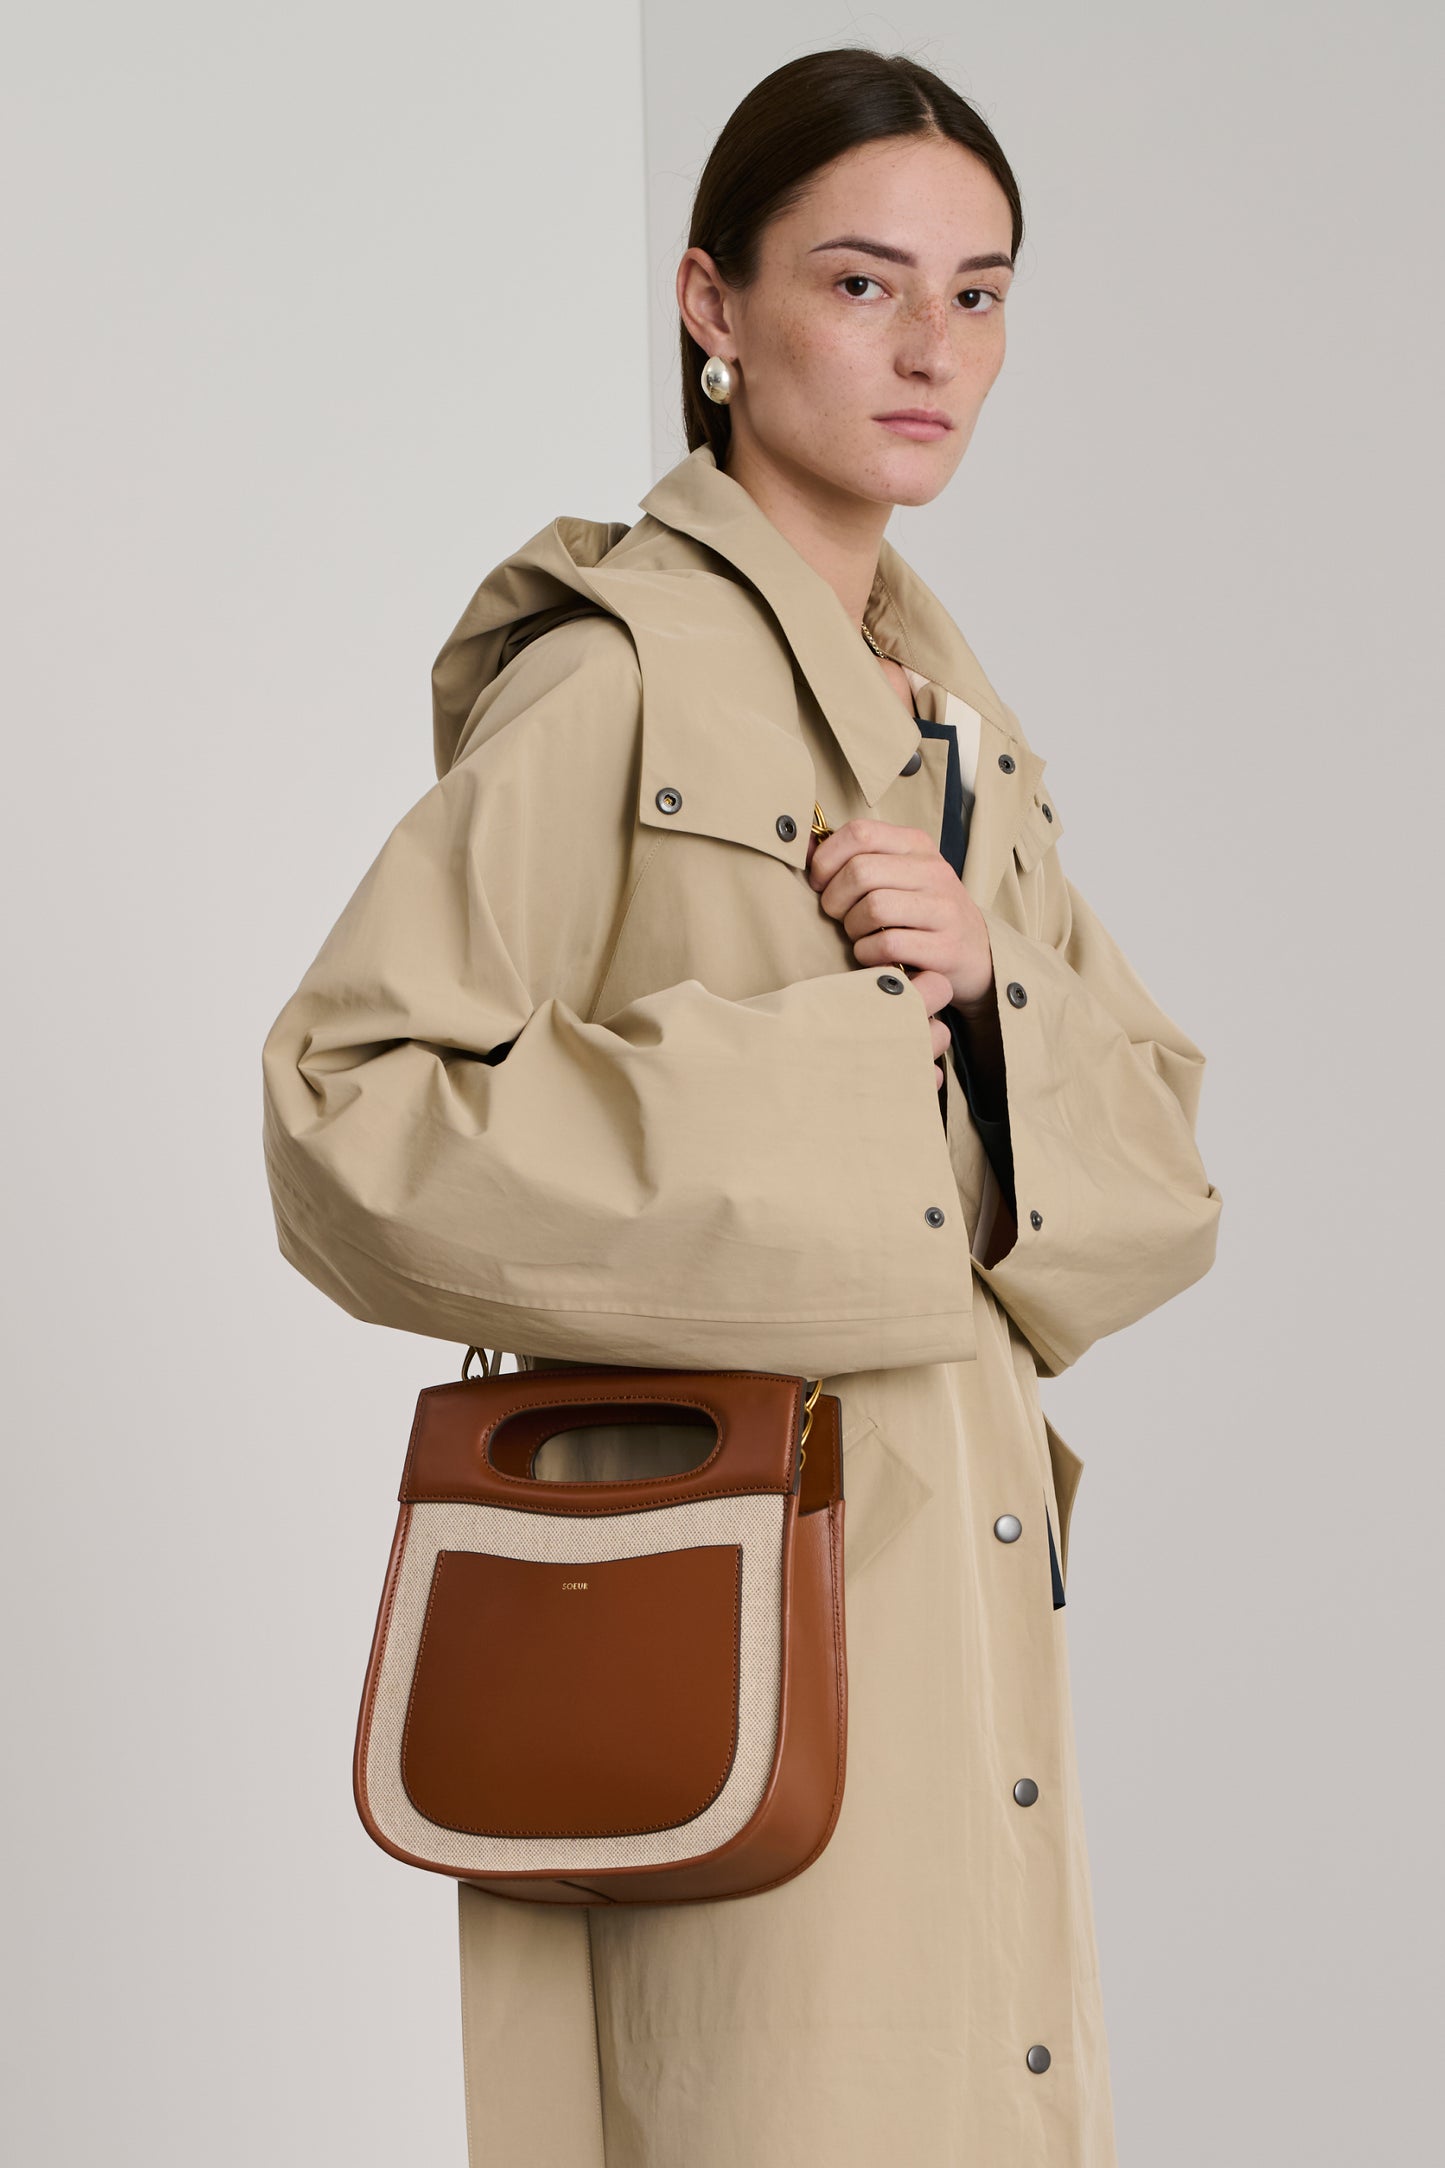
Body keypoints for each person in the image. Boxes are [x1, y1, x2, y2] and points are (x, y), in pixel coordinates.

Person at [260, 46, 1222, 2168]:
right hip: (707, 1616)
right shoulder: (611, 671)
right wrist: (861, 1082)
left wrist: (989, 991)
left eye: (978, 293)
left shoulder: (965, 735)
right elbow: (346, 1111)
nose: (931, 348)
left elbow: (1158, 1179)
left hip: (963, 1615)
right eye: (862, 283)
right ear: (714, 305)